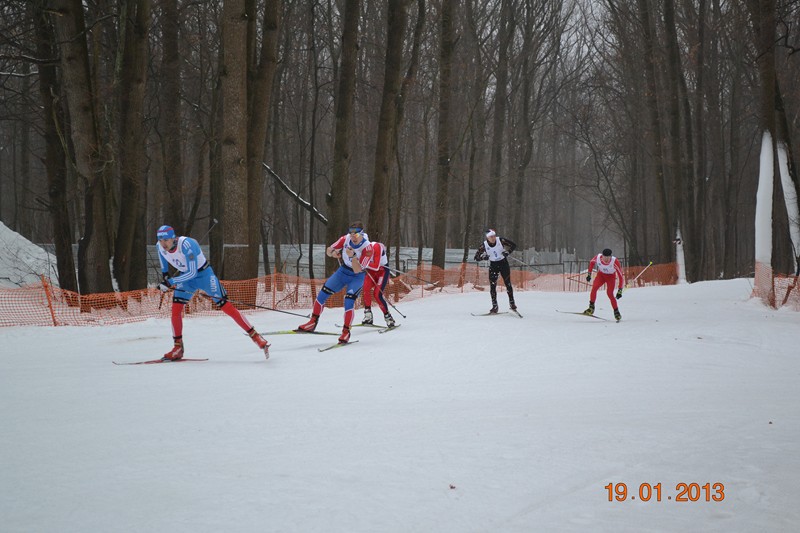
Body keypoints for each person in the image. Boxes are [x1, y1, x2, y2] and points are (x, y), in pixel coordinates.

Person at [156, 225, 269, 360]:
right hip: (185, 278)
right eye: (160, 240)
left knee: (226, 306)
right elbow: (162, 257)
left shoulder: (187, 244)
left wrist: (171, 281)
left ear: (173, 238)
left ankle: (255, 336)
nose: (163, 244)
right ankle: (178, 347)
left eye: (166, 240)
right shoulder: (159, 246)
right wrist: (165, 275)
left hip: (204, 275)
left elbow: (193, 273)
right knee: (176, 309)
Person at [298, 220, 372, 343]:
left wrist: (353, 256)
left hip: (357, 276)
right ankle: (312, 322)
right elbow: (328, 250)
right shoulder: (346, 238)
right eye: (351, 233)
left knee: (349, 301)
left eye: (356, 234)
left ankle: (346, 331)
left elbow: (358, 269)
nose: (353, 236)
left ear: (361, 233)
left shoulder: (367, 247)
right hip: (343, 271)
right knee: (323, 293)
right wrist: (333, 253)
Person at [473, 229, 517, 313]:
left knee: (508, 284)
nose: (493, 238)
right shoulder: (484, 245)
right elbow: (476, 257)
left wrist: (507, 252)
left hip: (503, 264)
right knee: (493, 286)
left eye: (494, 236)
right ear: (487, 238)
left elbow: (513, 245)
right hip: (493, 265)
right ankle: (495, 306)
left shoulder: (500, 240)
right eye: (491, 237)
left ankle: (512, 303)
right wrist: (483, 257)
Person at [361, 240, 396, 327]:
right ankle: (368, 315)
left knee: (377, 294)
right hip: (371, 272)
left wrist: (363, 263)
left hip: (382, 271)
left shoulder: (376, 247)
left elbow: (376, 266)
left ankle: (388, 317)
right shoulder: (360, 249)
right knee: (365, 289)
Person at [584, 248, 625, 321]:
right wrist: (589, 274)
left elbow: (620, 276)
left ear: (611, 257)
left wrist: (620, 290)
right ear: (602, 256)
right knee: (594, 288)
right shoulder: (598, 257)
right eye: (604, 257)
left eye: (608, 257)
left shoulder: (615, 261)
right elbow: (591, 262)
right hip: (601, 275)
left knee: (609, 293)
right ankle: (591, 307)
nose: (606, 259)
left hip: (610, 277)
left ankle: (616, 311)